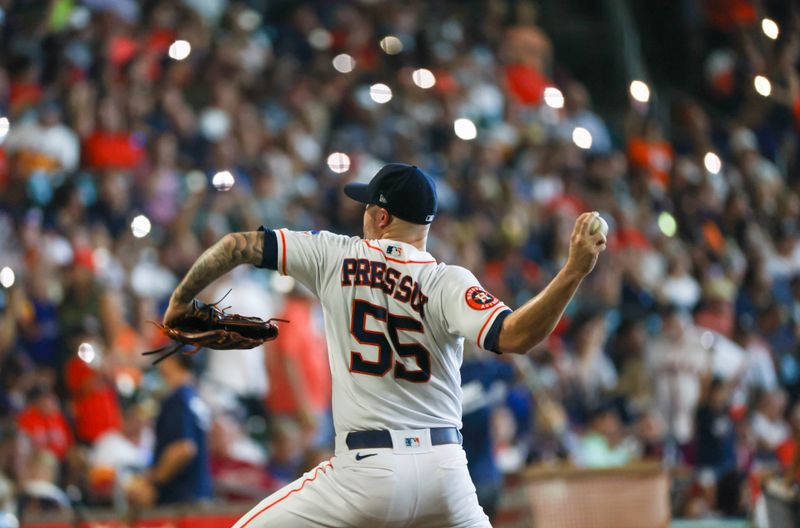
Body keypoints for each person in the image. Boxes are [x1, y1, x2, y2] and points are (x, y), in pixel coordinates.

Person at [162, 163, 607, 527]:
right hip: (445, 474)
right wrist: (573, 272)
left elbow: (236, 245)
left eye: (366, 206)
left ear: (381, 216)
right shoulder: (447, 281)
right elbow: (517, 336)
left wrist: (182, 300)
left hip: (366, 472)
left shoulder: (334, 254)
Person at [127, 353, 212, 507]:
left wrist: (152, 483)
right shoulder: (195, 396)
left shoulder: (178, 398)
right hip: (199, 494)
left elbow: (183, 449)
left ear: (172, 361)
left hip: (179, 500)